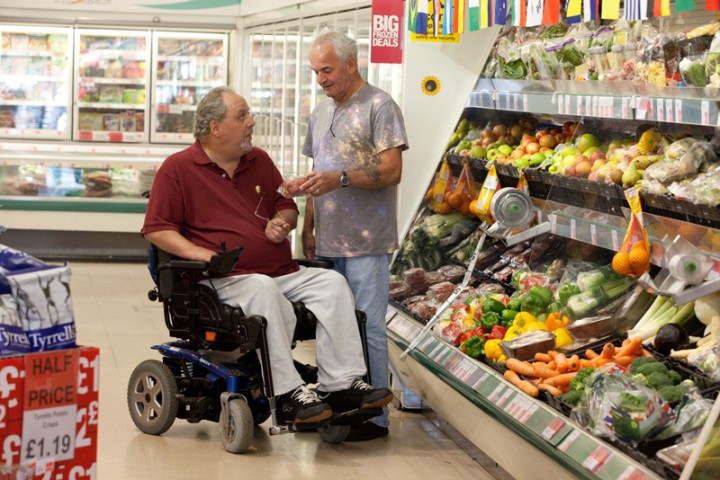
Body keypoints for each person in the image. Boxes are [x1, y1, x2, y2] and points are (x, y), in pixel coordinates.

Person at [142, 86, 393, 426]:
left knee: (332, 283)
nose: (251, 122)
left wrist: (283, 222)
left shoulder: (258, 160)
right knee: (262, 287)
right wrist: (203, 255)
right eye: (242, 116)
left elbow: (286, 206)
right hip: (226, 279)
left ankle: (342, 385)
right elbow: (158, 229)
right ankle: (288, 394)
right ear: (216, 127)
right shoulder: (178, 169)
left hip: (281, 271)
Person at [300, 31, 409, 441]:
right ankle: (339, 404)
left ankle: (375, 419)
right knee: (332, 327)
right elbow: (318, 177)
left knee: (369, 327)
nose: (321, 79)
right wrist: (308, 226)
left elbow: (393, 170)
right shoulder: (320, 111)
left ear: (350, 63)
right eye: (315, 71)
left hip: (366, 243)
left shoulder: (380, 106)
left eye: (327, 70)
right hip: (327, 241)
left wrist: (341, 178)